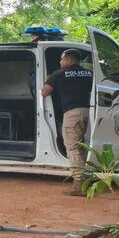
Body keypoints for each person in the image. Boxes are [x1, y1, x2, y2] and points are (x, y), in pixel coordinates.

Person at [41, 49, 93, 196]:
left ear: (69, 60)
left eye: (62, 59)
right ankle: (85, 177)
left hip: (72, 113)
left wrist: (47, 79)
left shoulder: (59, 73)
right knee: (82, 146)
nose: (60, 62)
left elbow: (45, 92)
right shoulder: (89, 73)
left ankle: (78, 184)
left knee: (72, 147)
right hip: (89, 111)